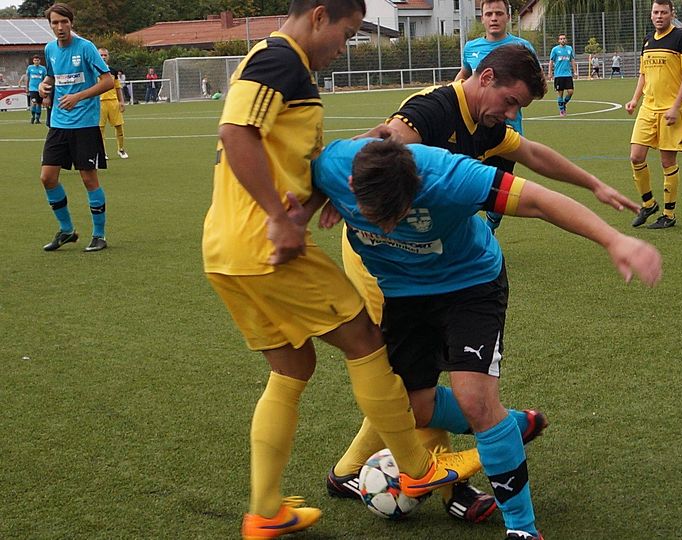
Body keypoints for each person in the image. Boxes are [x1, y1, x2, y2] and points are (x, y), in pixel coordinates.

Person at [325, 43, 638, 527]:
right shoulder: (430, 113)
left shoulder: (478, 137)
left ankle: (481, 479)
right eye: (511, 102)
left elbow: (532, 160)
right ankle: (464, 470)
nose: (512, 115)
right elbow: (385, 139)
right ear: (486, 78)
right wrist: (341, 184)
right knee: (404, 391)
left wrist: (594, 188)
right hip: (388, 263)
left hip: (455, 266)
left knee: (454, 396)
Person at [200, 1, 482, 538]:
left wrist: (320, 194)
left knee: (293, 366)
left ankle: (265, 511)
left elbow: (283, 155)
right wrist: (277, 218)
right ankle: (417, 468)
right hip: (264, 244)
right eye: (347, 33)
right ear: (319, 15)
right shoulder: (280, 59)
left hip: (226, 250)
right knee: (366, 339)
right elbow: (237, 133)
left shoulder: (286, 68)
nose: (343, 47)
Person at [37, 3, 114, 253]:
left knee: (88, 179)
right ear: (50, 25)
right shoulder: (50, 49)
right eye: (55, 23)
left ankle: (99, 235)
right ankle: (67, 230)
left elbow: (108, 81)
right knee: (47, 178)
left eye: (64, 22)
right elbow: (52, 76)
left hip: (85, 124)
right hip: (59, 123)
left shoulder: (86, 47)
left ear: (71, 22)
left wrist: (78, 97)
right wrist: (43, 85)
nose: (60, 27)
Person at [453, 0, 537, 229]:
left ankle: (490, 227)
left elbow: (534, 83)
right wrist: (450, 95)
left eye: (499, 13)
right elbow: (464, 75)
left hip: (507, 130)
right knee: (467, 183)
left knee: (498, 190)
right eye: (489, 13)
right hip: (474, 130)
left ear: (508, 17)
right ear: (482, 18)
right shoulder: (471, 48)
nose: (494, 18)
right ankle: (467, 231)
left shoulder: (522, 47)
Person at [626, 0, 682, 230]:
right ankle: (648, 204)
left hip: (670, 110)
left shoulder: (681, 38)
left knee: (667, 162)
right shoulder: (647, 40)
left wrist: (675, 107)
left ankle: (669, 214)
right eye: (656, 12)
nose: (659, 16)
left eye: (664, 12)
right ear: (651, 15)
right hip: (648, 108)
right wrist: (635, 100)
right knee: (636, 157)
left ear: (671, 14)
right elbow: (643, 75)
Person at [98, 48, 128, 159]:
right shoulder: (93, 70)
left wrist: (121, 101)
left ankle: (121, 149)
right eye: (101, 55)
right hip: (99, 103)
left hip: (113, 102)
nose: (103, 57)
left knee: (119, 126)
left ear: (108, 56)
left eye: (105, 55)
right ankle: (103, 152)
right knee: (100, 129)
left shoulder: (113, 71)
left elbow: (118, 87)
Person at [548, 34, 576, 116]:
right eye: (561, 39)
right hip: (558, 75)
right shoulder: (555, 49)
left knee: (570, 91)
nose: (563, 40)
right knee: (560, 93)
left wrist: (575, 72)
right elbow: (551, 61)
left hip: (568, 74)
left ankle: (563, 103)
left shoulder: (569, 49)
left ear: (566, 40)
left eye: (564, 38)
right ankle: (562, 110)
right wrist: (550, 72)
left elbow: (572, 60)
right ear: (558, 40)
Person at [24, 55, 47, 124]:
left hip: (40, 89)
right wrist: (27, 87)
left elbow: (45, 79)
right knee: (34, 102)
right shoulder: (30, 68)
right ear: (33, 61)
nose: (36, 61)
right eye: (35, 60)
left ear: (40, 61)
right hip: (32, 89)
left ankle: (37, 118)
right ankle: (33, 116)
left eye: (37, 60)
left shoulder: (43, 68)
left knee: (39, 104)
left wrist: (45, 87)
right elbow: (27, 78)